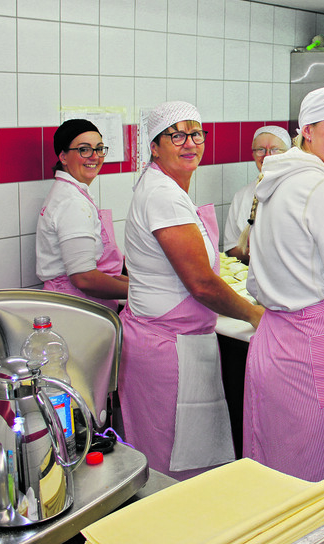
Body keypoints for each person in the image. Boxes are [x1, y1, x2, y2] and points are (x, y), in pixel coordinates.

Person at [119, 101, 264, 480]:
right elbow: (200, 283)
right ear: (155, 145)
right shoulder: (162, 196)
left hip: (177, 341)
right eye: (176, 135)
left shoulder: (164, 187)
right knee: (171, 465)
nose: (190, 143)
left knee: (187, 456)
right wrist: (253, 313)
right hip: (167, 349)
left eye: (196, 133)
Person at [243, 87, 324, 500]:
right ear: (308, 130)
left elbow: (255, 282)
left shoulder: (273, 180)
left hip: (271, 345)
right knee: (317, 486)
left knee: (274, 478)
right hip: (316, 353)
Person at [35, 118, 128, 311]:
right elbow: (84, 278)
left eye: (99, 149)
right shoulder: (72, 202)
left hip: (81, 306)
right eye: (84, 149)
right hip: (74, 309)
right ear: (63, 157)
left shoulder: (72, 193)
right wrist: (139, 292)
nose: (94, 156)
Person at [221, 125, 292, 262]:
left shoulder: (297, 191)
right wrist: (260, 258)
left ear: (288, 154)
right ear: (253, 154)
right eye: (260, 150)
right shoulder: (242, 196)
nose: (267, 156)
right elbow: (231, 248)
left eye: (274, 150)